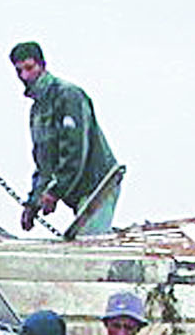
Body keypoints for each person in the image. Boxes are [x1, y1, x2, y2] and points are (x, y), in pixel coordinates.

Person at [10, 41, 122, 235]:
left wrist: (55, 192)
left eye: (29, 68)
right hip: (76, 191)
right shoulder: (37, 111)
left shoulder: (68, 95)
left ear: (42, 65)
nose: (25, 76)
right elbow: (44, 163)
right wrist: (33, 203)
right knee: (81, 242)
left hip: (98, 184)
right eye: (19, 71)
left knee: (91, 246)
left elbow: (75, 150)